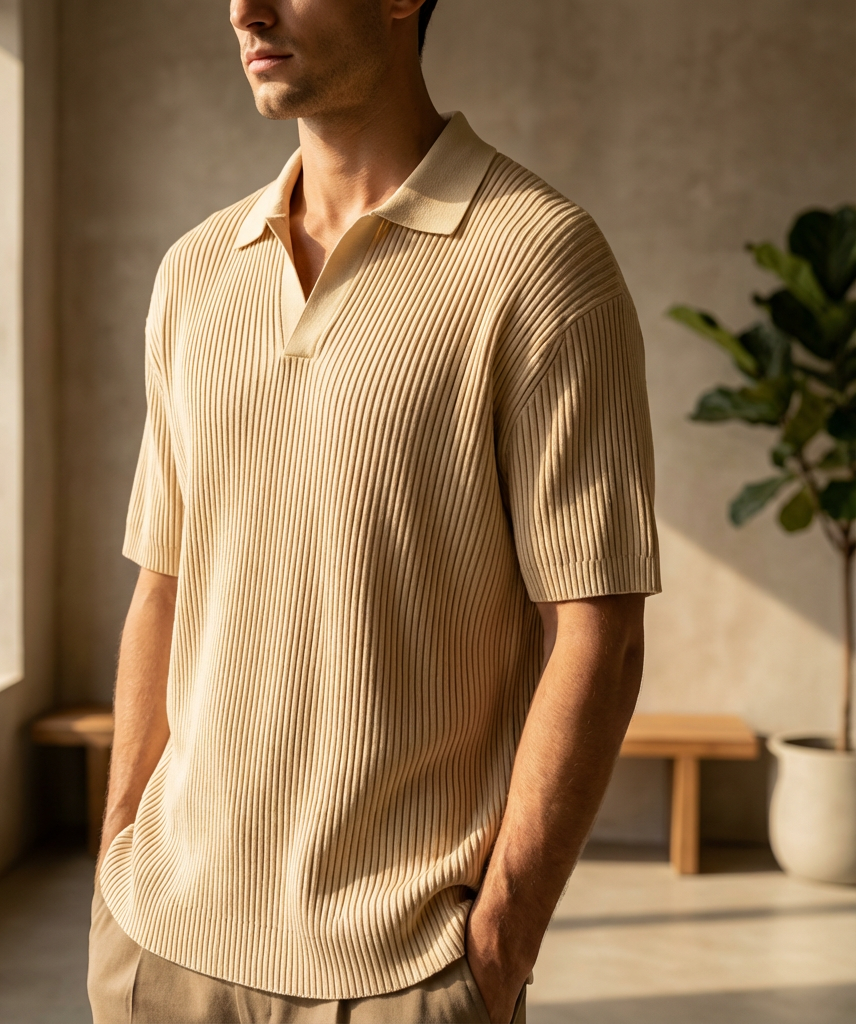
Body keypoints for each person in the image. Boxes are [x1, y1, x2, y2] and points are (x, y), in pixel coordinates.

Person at [87, 1, 660, 1021]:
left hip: (403, 973)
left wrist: (497, 945)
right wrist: (118, 855)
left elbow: (596, 633)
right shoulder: (196, 271)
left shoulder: (540, 262)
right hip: (162, 946)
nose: (242, 10)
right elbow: (163, 583)